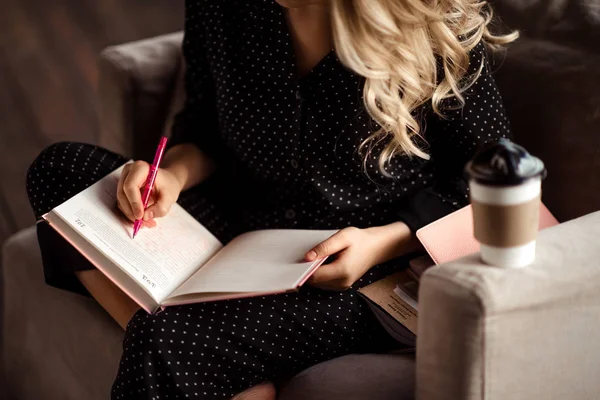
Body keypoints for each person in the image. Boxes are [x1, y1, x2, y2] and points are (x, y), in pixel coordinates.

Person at [26, 0, 517, 398]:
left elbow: (495, 184)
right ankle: (222, 372)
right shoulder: (221, 8)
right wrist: (171, 175)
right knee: (61, 172)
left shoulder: (433, 28)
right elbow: (202, 126)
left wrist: (381, 243)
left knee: (164, 342)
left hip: (346, 269)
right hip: (234, 221)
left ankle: (208, 362)